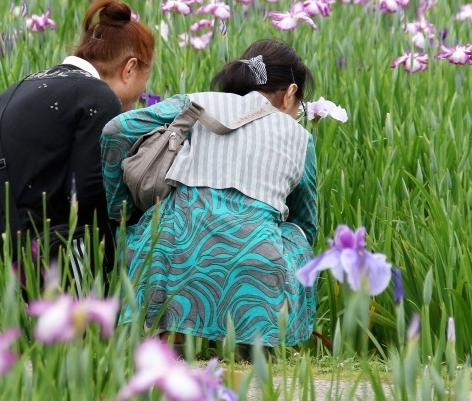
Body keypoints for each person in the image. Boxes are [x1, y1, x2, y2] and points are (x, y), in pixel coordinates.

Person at [0, 0, 154, 288]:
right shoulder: (98, 96)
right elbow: (87, 200)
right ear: (130, 68)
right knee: (97, 234)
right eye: (145, 77)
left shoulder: (33, 82)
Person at [101, 39, 318, 350]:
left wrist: (121, 210)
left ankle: (168, 328)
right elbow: (306, 224)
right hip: (255, 278)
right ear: (291, 92)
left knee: (160, 222)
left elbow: (115, 131)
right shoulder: (301, 139)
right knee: (294, 236)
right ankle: (259, 335)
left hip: (170, 259)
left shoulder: (197, 103)